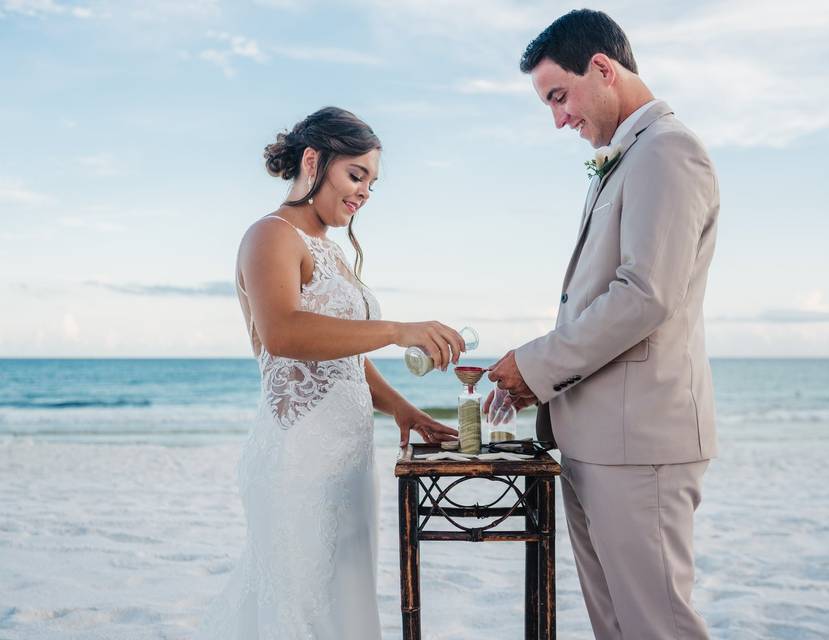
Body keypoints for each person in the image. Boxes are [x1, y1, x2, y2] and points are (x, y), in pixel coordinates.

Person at [486, 10, 719, 639]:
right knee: (617, 628)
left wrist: (534, 365)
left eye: (558, 96)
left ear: (603, 68)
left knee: (657, 627)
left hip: (639, 443)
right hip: (596, 440)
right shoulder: (626, 158)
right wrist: (532, 379)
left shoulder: (669, 151)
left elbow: (644, 295)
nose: (558, 118)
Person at [199, 106, 461, 639]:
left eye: (372, 182)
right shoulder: (270, 235)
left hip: (348, 460)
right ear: (313, 160)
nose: (364, 192)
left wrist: (402, 409)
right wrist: (396, 330)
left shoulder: (332, 252)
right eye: (355, 175)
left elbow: (344, 359)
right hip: (298, 461)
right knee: (297, 606)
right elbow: (285, 334)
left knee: (343, 602)